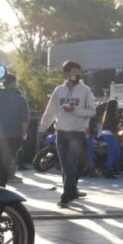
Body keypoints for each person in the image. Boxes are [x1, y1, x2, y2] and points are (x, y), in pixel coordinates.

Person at [38, 61, 96, 207]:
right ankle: (71, 191)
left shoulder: (85, 90)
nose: (77, 75)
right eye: (74, 72)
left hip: (77, 134)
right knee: (65, 166)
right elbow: (50, 112)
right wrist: (41, 129)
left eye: (78, 73)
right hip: (61, 133)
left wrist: (75, 111)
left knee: (71, 165)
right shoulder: (59, 91)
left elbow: (92, 111)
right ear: (66, 74)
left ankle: (66, 197)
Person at [0, 72, 29, 188]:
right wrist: (24, 133)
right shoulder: (20, 98)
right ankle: (1, 186)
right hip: (13, 136)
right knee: (6, 161)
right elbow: (25, 119)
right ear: (14, 82)